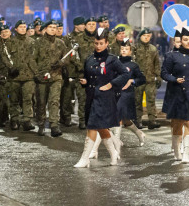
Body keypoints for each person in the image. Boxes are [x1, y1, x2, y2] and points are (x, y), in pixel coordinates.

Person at [74, 28, 130, 167]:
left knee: (92, 126)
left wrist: (111, 84)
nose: (98, 46)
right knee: (102, 128)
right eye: (96, 43)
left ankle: (84, 159)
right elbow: (88, 76)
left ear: (106, 43)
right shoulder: (89, 59)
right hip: (91, 97)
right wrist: (85, 82)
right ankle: (113, 154)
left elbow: (125, 74)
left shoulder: (112, 59)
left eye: (101, 43)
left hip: (105, 98)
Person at [161, 27, 189, 163]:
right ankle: (177, 150)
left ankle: (186, 153)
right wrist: (174, 79)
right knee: (177, 124)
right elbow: (164, 73)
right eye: (185, 40)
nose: (188, 42)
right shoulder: (172, 56)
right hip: (177, 94)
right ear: (181, 41)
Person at [34, 20, 68, 136]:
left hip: (56, 76)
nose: (53, 29)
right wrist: (37, 74)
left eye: (55, 27)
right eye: (51, 27)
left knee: (54, 101)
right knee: (41, 102)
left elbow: (67, 57)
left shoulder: (60, 43)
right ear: (45, 29)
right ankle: (41, 124)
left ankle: (54, 125)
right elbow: (32, 59)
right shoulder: (38, 42)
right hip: (42, 77)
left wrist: (61, 63)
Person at [5, 20, 40, 131]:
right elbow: (5, 56)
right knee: (14, 99)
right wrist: (11, 68)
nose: (23, 29)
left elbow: (35, 58)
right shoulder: (10, 42)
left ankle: (27, 120)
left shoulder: (32, 42)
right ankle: (14, 119)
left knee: (28, 99)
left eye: (24, 27)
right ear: (16, 29)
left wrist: (36, 73)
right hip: (14, 76)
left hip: (28, 76)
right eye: (20, 27)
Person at [115, 37, 148, 147]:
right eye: (122, 49)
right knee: (126, 120)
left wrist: (132, 81)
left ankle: (116, 141)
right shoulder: (115, 63)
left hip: (127, 94)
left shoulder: (133, 65)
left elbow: (142, 79)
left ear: (130, 51)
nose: (124, 50)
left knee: (118, 116)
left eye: (126, 49)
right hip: (115, 93)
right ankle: (139, 133)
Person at [60, 17, 87, 127]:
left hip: (82, 72)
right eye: (82, 24)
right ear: (76, 25)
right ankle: (66, 117)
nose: (84, 26)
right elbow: (66, 54)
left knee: (82, 98)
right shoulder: (67, 38)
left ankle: (82, 120)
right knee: (67, 97)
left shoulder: (86, 38)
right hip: (70, 72)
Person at [133, 27, 162, 129]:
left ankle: (152, 121)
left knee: (151, 100)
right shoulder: (135, 48)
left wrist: (158, 77)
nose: (146, 38)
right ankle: (138, 120)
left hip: (150, 79)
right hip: (138, 79)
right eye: (144, 36)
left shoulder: (153, 49)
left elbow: (157, 64)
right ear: (140, 36)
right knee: (137, 100)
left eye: (148, 36)